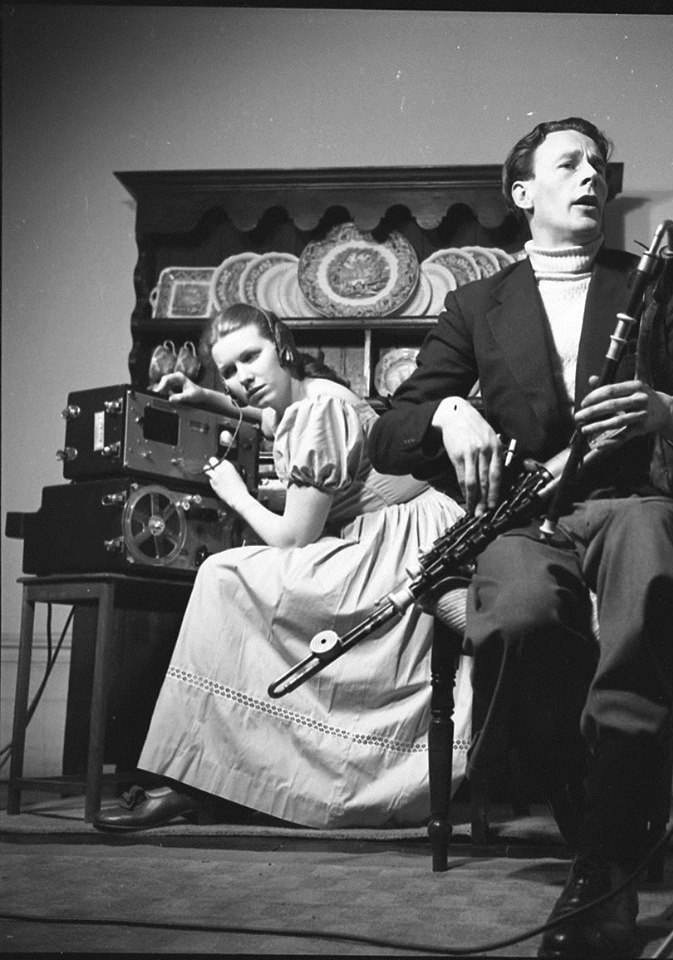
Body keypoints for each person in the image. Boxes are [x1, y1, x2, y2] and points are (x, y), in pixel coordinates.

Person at [367, 117, 673, 958]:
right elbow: (387, 436)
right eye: (569, 163)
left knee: (650, 558)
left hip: (646, 504)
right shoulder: (478, 303)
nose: (592, 176)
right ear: (524, 194)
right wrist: (447, 406)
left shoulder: (658, 282)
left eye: (598, 165)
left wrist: (666, 411)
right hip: (532, 519)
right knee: (517, 616)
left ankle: (604, 867)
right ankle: (590, 793)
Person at [93, 304, 471, 832]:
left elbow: (293, 539)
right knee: (233, 584)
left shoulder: (317, 412)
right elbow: (258, 410)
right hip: (400, 536)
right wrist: (203, 395)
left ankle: (194, 781)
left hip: (396, 553)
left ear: (282, 348)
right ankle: (204, 776)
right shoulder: (300, 394)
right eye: (228, 370)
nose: (242, 378)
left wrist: (239, 496)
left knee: (222, 578)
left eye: (252, 357)